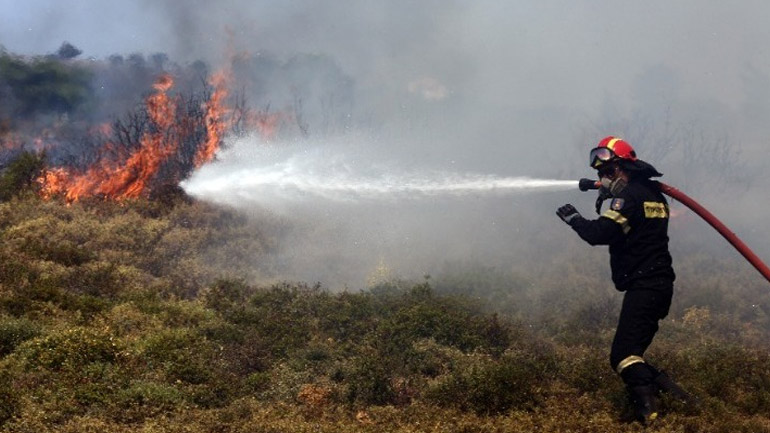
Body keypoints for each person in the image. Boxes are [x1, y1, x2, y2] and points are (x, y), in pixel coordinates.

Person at [555, 136, 694, 425]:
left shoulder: (629, 197)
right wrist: (609, 193)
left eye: (609, 172)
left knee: (623, 355)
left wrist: (574, 219)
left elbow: (600, 234)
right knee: (631, 353)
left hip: (647, 285)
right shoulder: (651, 194)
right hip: (656, 285)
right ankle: (683, 400)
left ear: (625, 168)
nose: (604, 179)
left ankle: (649, 415)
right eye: (600, 175)